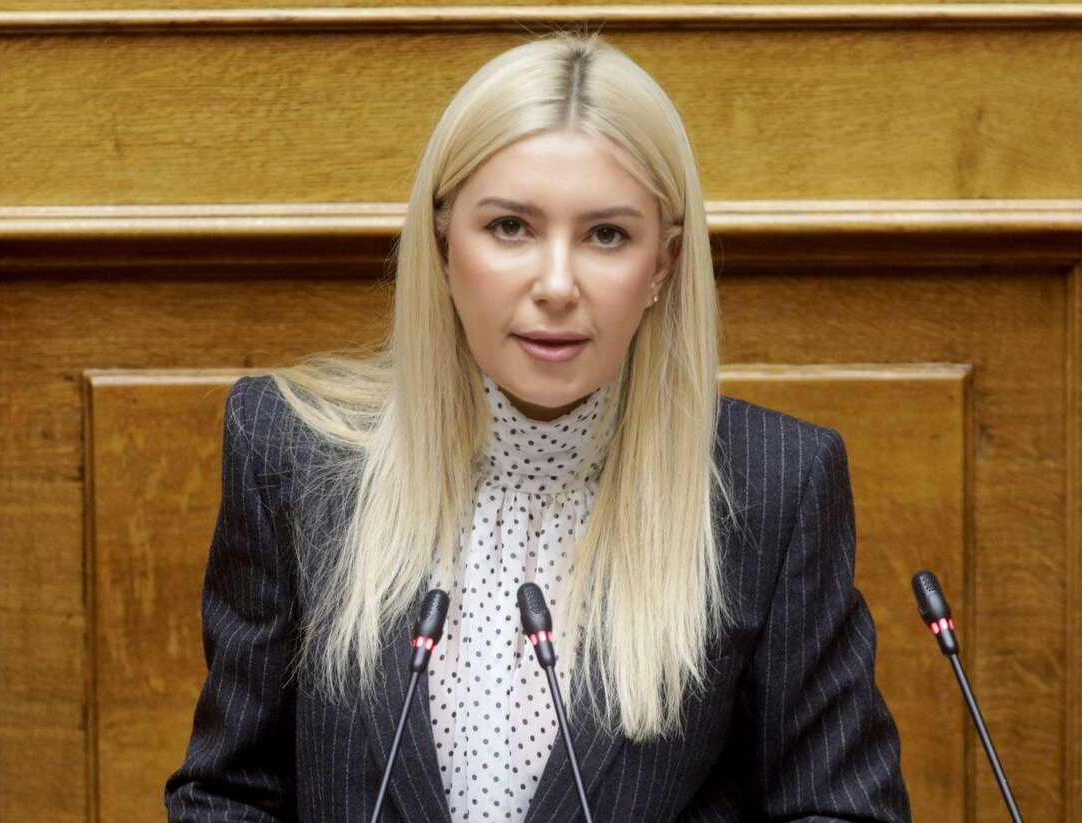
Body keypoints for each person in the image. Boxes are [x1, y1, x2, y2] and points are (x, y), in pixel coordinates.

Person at [164, 29, 910, 823]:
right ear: (443, 242)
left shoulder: (774, 487)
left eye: (607, 235)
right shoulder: (290, 451)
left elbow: (841, 808)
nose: (557, 284)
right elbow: (229, 794)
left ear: (662, 265)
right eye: (510, 227)